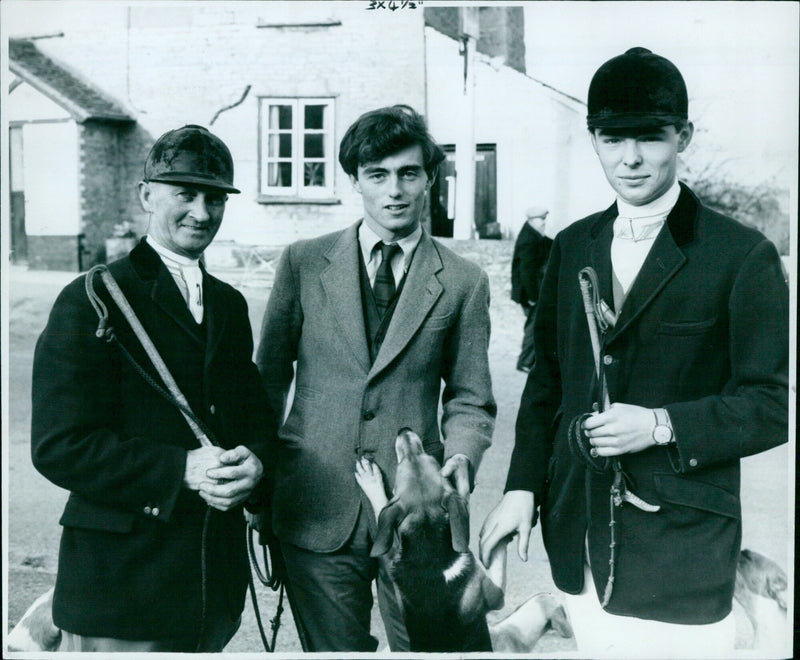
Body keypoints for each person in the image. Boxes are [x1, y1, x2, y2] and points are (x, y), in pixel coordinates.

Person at [479, 47, 788, 657]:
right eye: (612, 138)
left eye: (649, 138)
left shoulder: (742, 255)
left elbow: (771, 406)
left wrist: (660, 424)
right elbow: (547, 386)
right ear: (593, 139)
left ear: (683, 137)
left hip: (685, 549)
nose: (630, 158)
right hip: (580, 538)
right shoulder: (570, 247)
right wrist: (521, 489)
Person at [256, 104, 496, 652]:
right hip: (315, 505)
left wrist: (460, 458)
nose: (395, 190)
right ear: (355, 181)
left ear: (430, 179)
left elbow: (470, 398)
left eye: (409, 173)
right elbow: (267, 382)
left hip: (420, 520)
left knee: (434, 651)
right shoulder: (302, 262)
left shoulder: (462, 281)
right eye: (378, 175)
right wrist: (261, 492)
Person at [31, 125, 277, 652]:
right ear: (147, 195)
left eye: (215, 198)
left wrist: (256, 466)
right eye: (184, 194)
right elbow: (58, 446)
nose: (202, 212)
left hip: (210, 588)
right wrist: (179, 469)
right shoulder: (92, 297)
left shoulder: (230, 306)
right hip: (121, 588)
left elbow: (252, 420)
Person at [510, 206, 553, 372]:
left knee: (534, 325)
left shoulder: (532, 235)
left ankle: (529, 360)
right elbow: (526, 270)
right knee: (533, 327)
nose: (544, 223)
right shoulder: (529, 239)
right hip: (529, 293)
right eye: (541, 220)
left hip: (530, 292)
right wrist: (532, 296)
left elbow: (546, 244)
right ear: (532, 220)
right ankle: (525, 362)